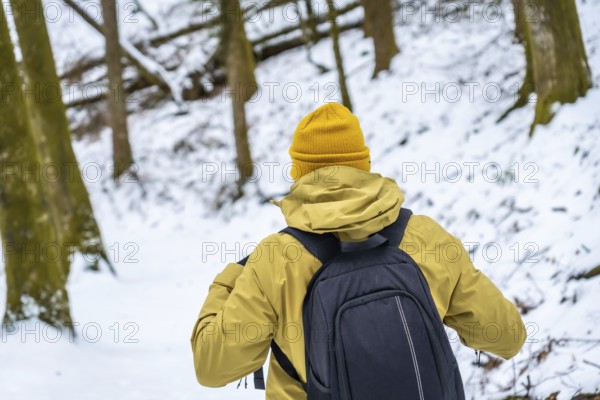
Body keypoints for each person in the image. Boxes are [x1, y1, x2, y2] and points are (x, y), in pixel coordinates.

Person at [191, 103, 526, 399]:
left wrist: (229, 279)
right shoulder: (425, 236)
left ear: (299, 173)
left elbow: (213, 367)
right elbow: (508, 337)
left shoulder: (275, 259)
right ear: (364, 164)